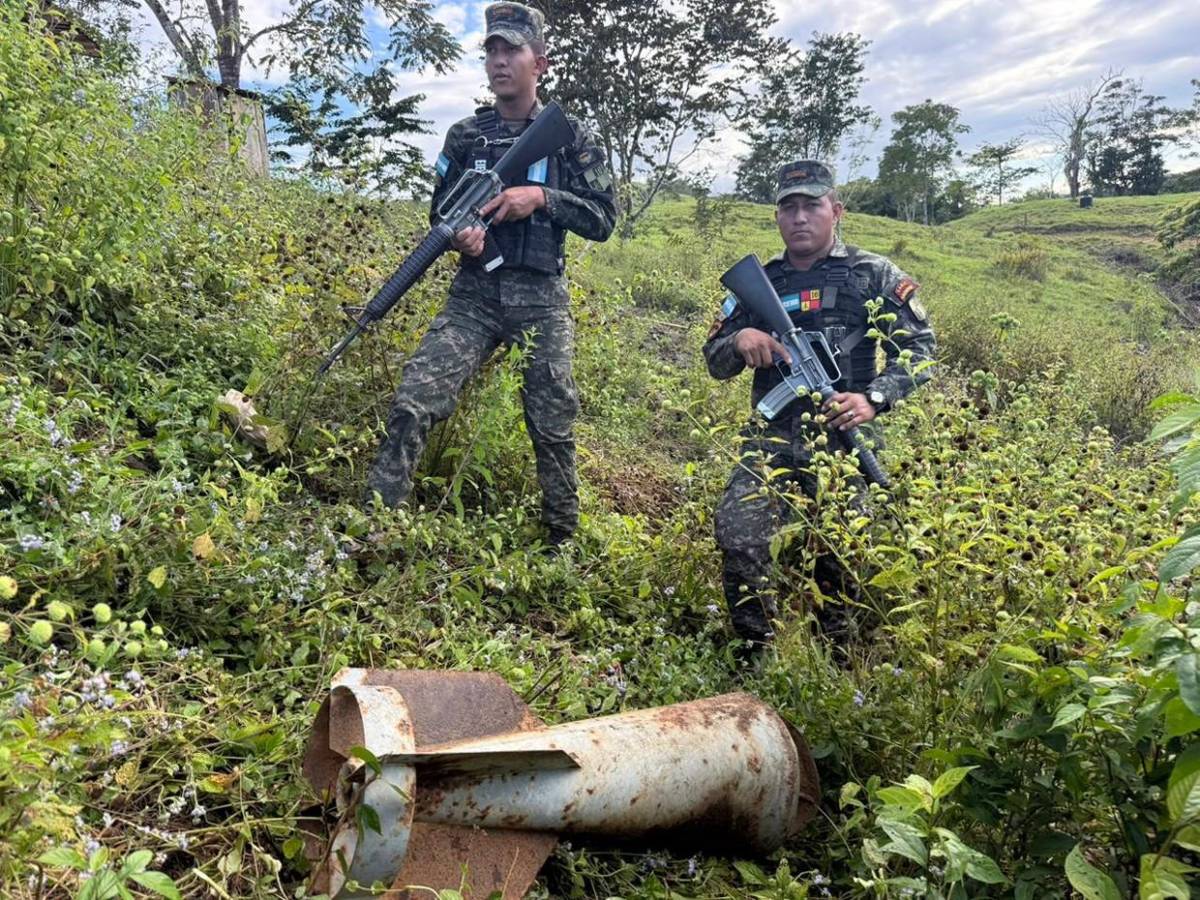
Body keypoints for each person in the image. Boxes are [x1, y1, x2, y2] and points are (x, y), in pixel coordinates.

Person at [365, 2, 616, 548]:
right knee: (412, 402)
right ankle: (374, 528)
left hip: (541, 299)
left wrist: (542, 197)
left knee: (552, 425)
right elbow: (440, 215)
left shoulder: (571, 136)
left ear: (540, 63)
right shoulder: (463, 137)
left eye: (513, 50)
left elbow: (604, 220)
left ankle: (562, 542)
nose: (500, 62)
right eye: (492, 52)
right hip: (474, 295)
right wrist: (461, 236)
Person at [703, 160, 936, 650]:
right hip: (771, 442)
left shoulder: (872, 275)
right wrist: (740, 338)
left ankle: (841, 663)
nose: (800, 218)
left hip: (843, 443)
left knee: (844, 558)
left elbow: (919, 351)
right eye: (789, 208)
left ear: (836, 210)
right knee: (739, 535)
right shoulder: (758, 284)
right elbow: (715, 360)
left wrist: (873, 398)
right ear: (777, 218)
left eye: (812, 205)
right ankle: (756, 651)